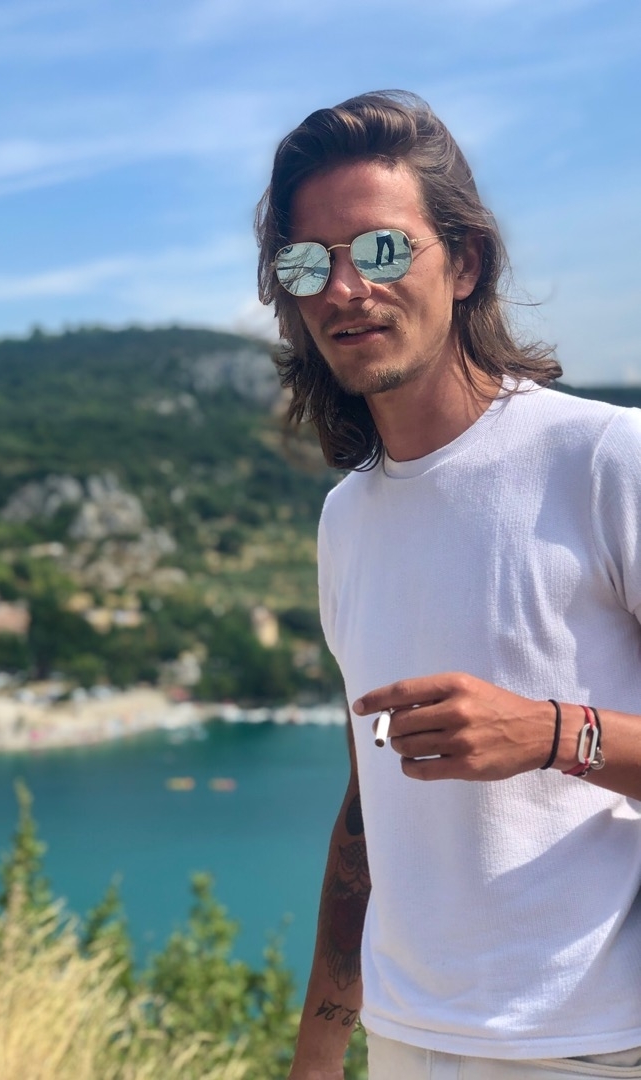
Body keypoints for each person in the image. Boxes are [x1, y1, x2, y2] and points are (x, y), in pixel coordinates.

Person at [255, 90, 641, 1080]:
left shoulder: (607, 461)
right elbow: (368, 803)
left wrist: (551, 733)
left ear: (465, 262)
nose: (345, 289)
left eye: (381, 250)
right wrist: (319, 1049)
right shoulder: (346, 519)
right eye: (308, 265)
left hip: (594, 1043)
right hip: (406, 1041)